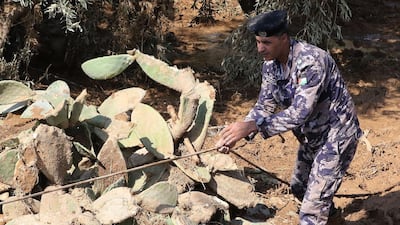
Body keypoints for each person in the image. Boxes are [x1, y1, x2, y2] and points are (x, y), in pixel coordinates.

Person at [216, 10, 363, 225]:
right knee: (300, 188)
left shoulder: (311, 61)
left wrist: (252, 127)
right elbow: (264, 105)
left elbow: (299, 113)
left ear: (284, 38)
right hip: (311, 138)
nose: (259, 48)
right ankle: (334, 220)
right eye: (257, 41)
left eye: (266, 42)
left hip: (336, 136)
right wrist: (236, 134)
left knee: (311, 211)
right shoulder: (270, 65)